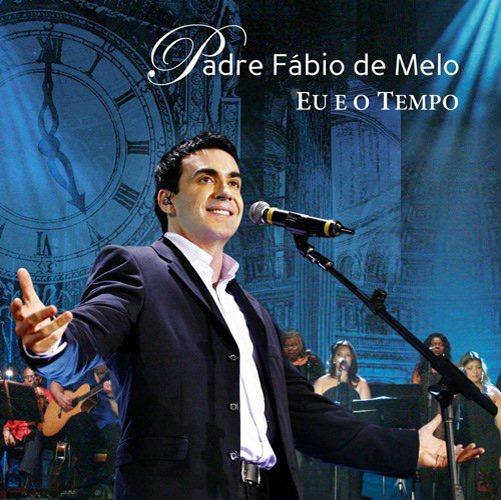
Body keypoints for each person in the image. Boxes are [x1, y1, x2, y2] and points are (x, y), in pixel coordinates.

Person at [11, 132, 482, 499]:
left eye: (234, 182)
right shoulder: (137, 267)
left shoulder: (249, 309)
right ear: (167, 200)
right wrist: (48, 344)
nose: (226, 191)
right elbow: (87, 336)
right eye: (206, 179)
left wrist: (406, 447)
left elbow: (306, 414)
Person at [301, 340, 370, 499]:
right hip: (327, 443)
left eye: (347, 355)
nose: (343, 358)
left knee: (349, 488)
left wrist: (345, 382)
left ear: (352, 359)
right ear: (333, 358)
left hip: (352, 445)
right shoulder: (321, 382)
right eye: (339, 354)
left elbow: (366, 417)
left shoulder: (361, 384)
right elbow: (314, 413)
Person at [456, 352, 501, 499]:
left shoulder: (493, 392)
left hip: (490, 446)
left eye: (478, 367)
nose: (475, 371)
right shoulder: (457, 394)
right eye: (470, 368)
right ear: (464, 370)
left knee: (488, 489)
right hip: (467, 445)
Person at [3, 367, 51, 489]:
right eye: (26, 377)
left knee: (34, 437)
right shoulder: (17, 395)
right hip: (16, 434)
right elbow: (10, 419)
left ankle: (26, 478)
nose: (29, 380)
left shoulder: (47, 393)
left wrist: (45, 401)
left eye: (32, 377)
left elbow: (53, 413)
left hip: (35, 433)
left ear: (39, 379)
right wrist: (6, 430)